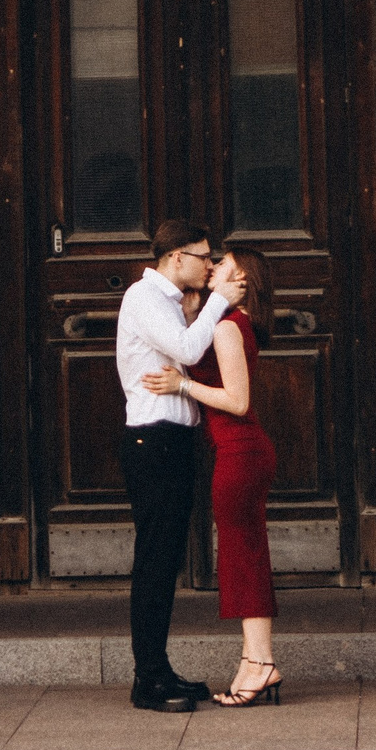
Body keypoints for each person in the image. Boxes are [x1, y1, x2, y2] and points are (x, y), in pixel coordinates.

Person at [143, 244, 280, 706]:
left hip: (240, 453)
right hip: (237, 453)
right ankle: (254, 661)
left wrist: (183, 385)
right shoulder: (222, 322)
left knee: (242, 558)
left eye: (222, 263)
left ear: (242, 279)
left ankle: (260, 664)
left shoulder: (227, 327)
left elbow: (238, 402)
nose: (212, 265)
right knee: (244, 556)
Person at [112, 220, 236, 713]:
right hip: (153, 440)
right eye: (203, 257)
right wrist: (221, 300)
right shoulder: (144, 298)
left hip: (174, 440)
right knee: (155, 562)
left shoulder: (169, 303)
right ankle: (147, 678)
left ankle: (159, 669)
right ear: (174, 258)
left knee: (166, 562)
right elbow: (188, 351)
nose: (210, 265)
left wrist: (195, 311)